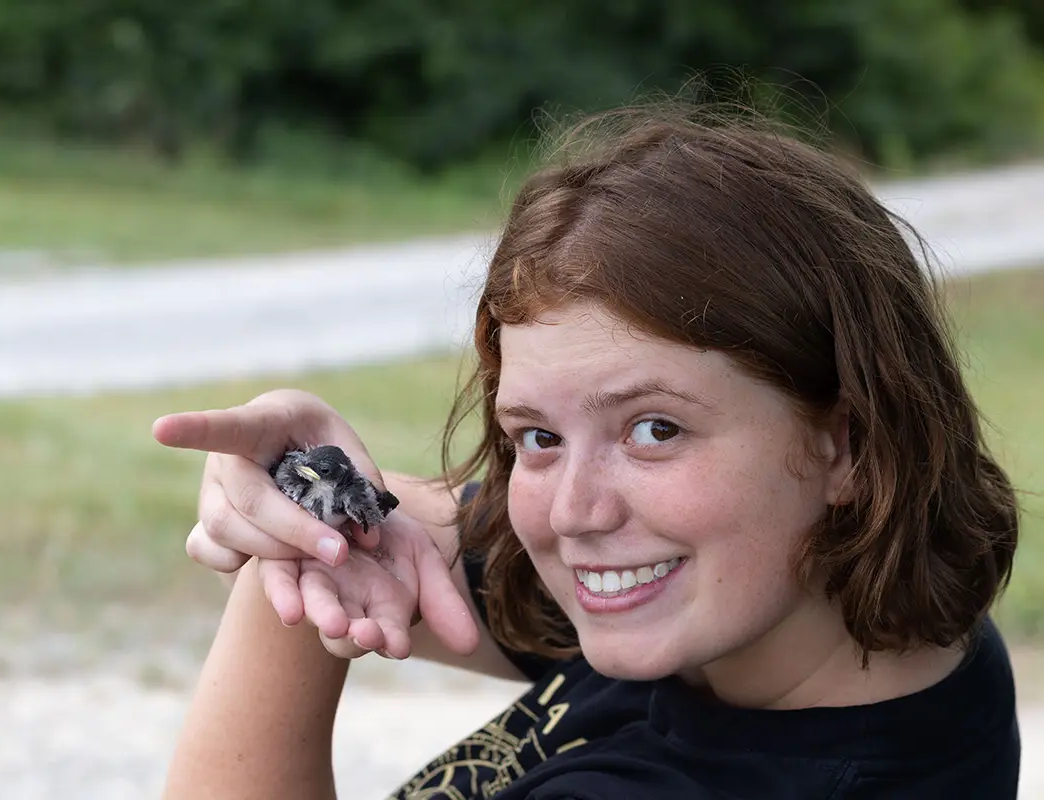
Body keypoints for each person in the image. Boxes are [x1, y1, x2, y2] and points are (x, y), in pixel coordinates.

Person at [152, 104, 1022, 799]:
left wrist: (296, 565)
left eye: (655, 430)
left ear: (848, 443)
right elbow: (430, 538)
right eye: (538, 437)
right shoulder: (861, 628)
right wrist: (318, 490)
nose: (574, 513)